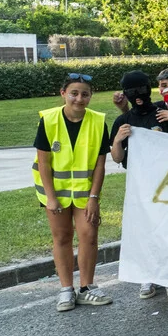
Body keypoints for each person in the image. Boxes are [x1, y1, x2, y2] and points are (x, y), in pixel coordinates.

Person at [34, 73, 113, 312]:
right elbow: (43, 163)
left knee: (89, 236)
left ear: (91, 97)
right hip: (55, 194)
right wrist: (50, 197)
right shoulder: (48, 120)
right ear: (63, 94)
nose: (79, 99)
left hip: (85, 194)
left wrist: (94, 198)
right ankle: (66, 290)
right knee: (62, 237)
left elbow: (100, 164)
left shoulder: (98, 122)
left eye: (85, 94)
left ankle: (86, 288)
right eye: (74, 93)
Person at [111, 71, 168, 170]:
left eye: (141, 90)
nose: (137, 95)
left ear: (148, 89)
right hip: (137, 174)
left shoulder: (165, 115)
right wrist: (117, 141)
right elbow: (117, 159)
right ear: (125, 94)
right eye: (131, 92)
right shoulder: (123, 121)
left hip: (165, 171)